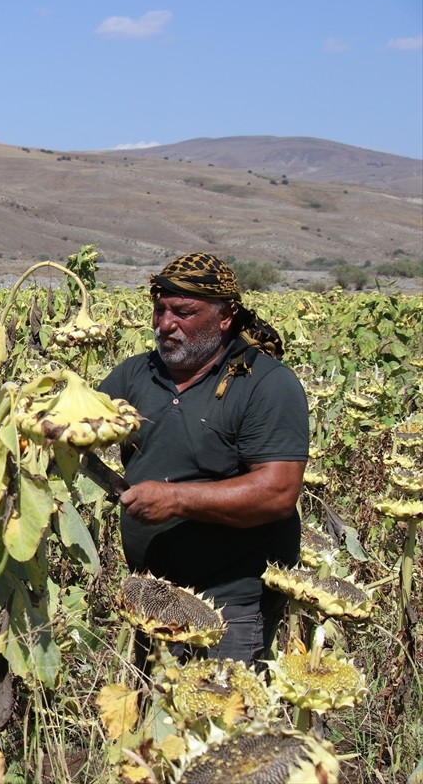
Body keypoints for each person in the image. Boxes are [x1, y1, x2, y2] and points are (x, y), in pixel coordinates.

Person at [98, 253, 308, 668]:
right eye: (159, 310)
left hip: (231, 599)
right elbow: (80, 420)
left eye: (184, 312)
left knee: (220, 720)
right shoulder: (139, 373)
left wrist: (176, 500)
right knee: (152, 720)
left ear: (225, 316)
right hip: (149, 592)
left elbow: (278, 492)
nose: (165, 324)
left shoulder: (265, 384)